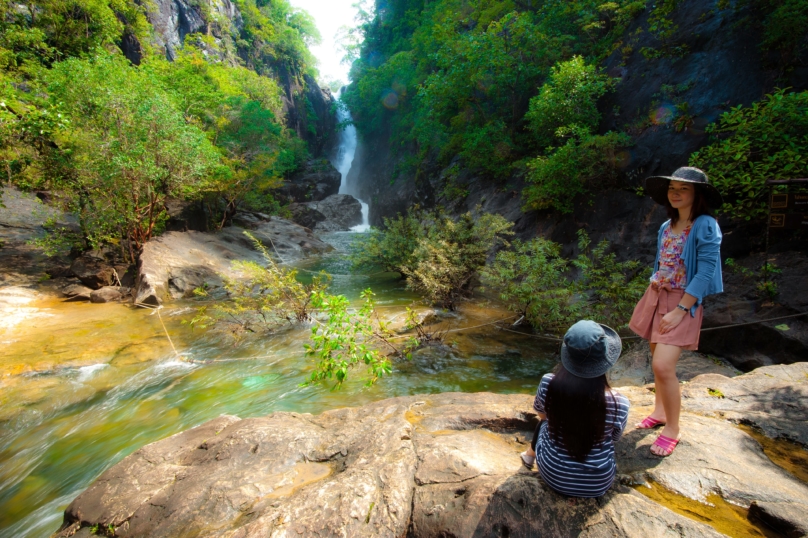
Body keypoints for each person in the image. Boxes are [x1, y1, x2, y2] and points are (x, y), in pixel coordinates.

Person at [629, 166, 723, 457]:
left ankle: (673, 428)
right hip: (657, 296)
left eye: (684, 189)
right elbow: (663, 263)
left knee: (663, 365)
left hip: (683, 301)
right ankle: (659, 411)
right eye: (672, 188)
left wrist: (682, 309)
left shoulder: (705, 224)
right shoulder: (665, 227)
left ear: (697, 194)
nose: (676, 193)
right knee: (655, 356)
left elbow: (706, 269)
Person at [520, 320, 629, 498]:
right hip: (596, 484)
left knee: (544, 423)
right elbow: (615, 438)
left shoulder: (549, 382)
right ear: (605, 360)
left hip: (552, 474)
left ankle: (528, 456)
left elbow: (542, 414)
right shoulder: (620, 403)